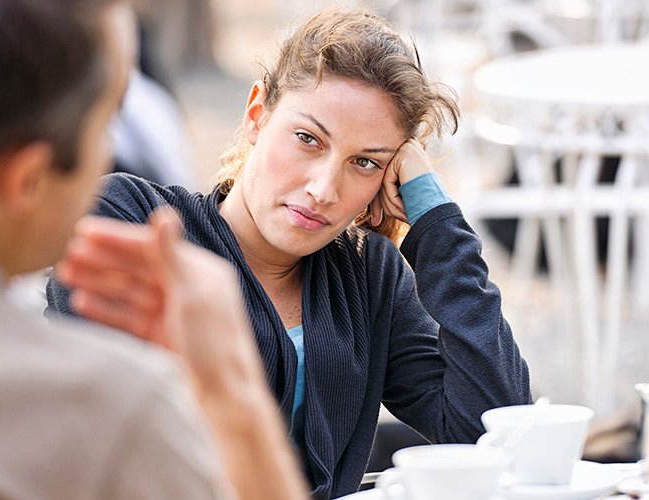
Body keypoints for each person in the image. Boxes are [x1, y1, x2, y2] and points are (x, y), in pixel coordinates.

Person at [47, 6, 533, 499]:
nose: (323, 188)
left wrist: (434, 224)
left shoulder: (368, 276)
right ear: (257, 113)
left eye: (364, 162)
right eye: (307, 139)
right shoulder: (132, 218)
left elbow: (496, 432)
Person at [0, 0, 308, 499]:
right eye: (107, 120)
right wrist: (231, 386)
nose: (109, 152)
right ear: (26, 179)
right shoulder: (112, 404)